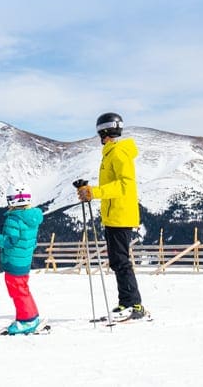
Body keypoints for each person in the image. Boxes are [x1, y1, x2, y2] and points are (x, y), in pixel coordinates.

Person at [76, 112, 147, 321]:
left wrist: (95, 192)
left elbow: (125, 185)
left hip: (120, 216)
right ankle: (127, 303)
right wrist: (90, 191)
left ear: (104, 131)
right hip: (114, 215)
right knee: (118, 261)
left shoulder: (118, 154)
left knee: (121, 262)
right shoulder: (111, 153)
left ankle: (133, 305)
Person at [0, 183, 45, 335]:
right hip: (24, 261)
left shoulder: (14, 219)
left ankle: (27, 320)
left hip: (14, 262)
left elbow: (9, 242)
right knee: (22, 289)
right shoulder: (32, 218)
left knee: (17, 291)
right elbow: (31, 241)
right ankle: (29, 316)